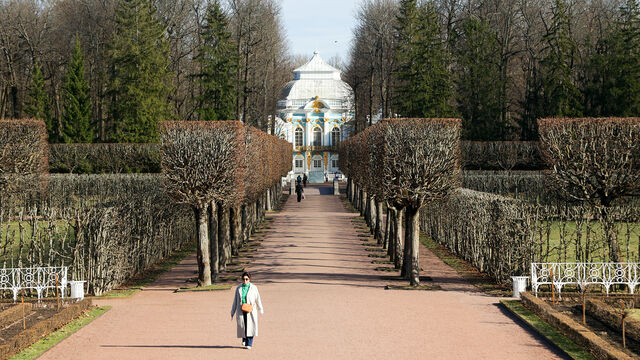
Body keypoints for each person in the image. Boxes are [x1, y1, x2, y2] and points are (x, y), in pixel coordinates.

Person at [231, 271, 264, 350]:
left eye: (247, 279)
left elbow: (258, 299)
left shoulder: (254, 288)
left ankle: (249, 343)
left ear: (249, 279)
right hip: (241, 309)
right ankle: (244, 339)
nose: (245, 281)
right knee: (243, 325)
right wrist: (232, 311)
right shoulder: (239, 288)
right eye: (243, 279)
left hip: (250, 310)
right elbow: (235, 301)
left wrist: (260, 309)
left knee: (251, 326)